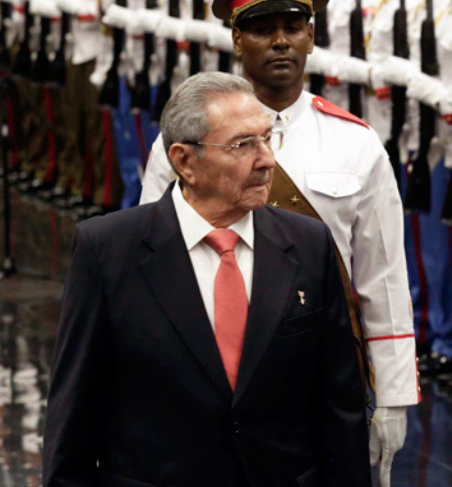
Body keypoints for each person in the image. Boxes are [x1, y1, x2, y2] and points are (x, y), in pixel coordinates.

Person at [138, 0, 419, 482]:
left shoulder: (355, 144)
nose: (281, 41)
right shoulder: (181, 144)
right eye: (263, 28)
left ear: (312, 36)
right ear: (237, 39)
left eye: (293, 25)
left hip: (319, 372)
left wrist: (392, 397)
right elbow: (150, 265)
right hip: (210, 371)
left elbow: (383, 278)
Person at [43, 72, 370, 487]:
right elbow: (74, 411)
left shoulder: (308, 244)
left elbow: (338, 404)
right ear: (184, 160)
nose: (267, 159)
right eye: (242, 145)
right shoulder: (108, 251)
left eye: (267, 139)